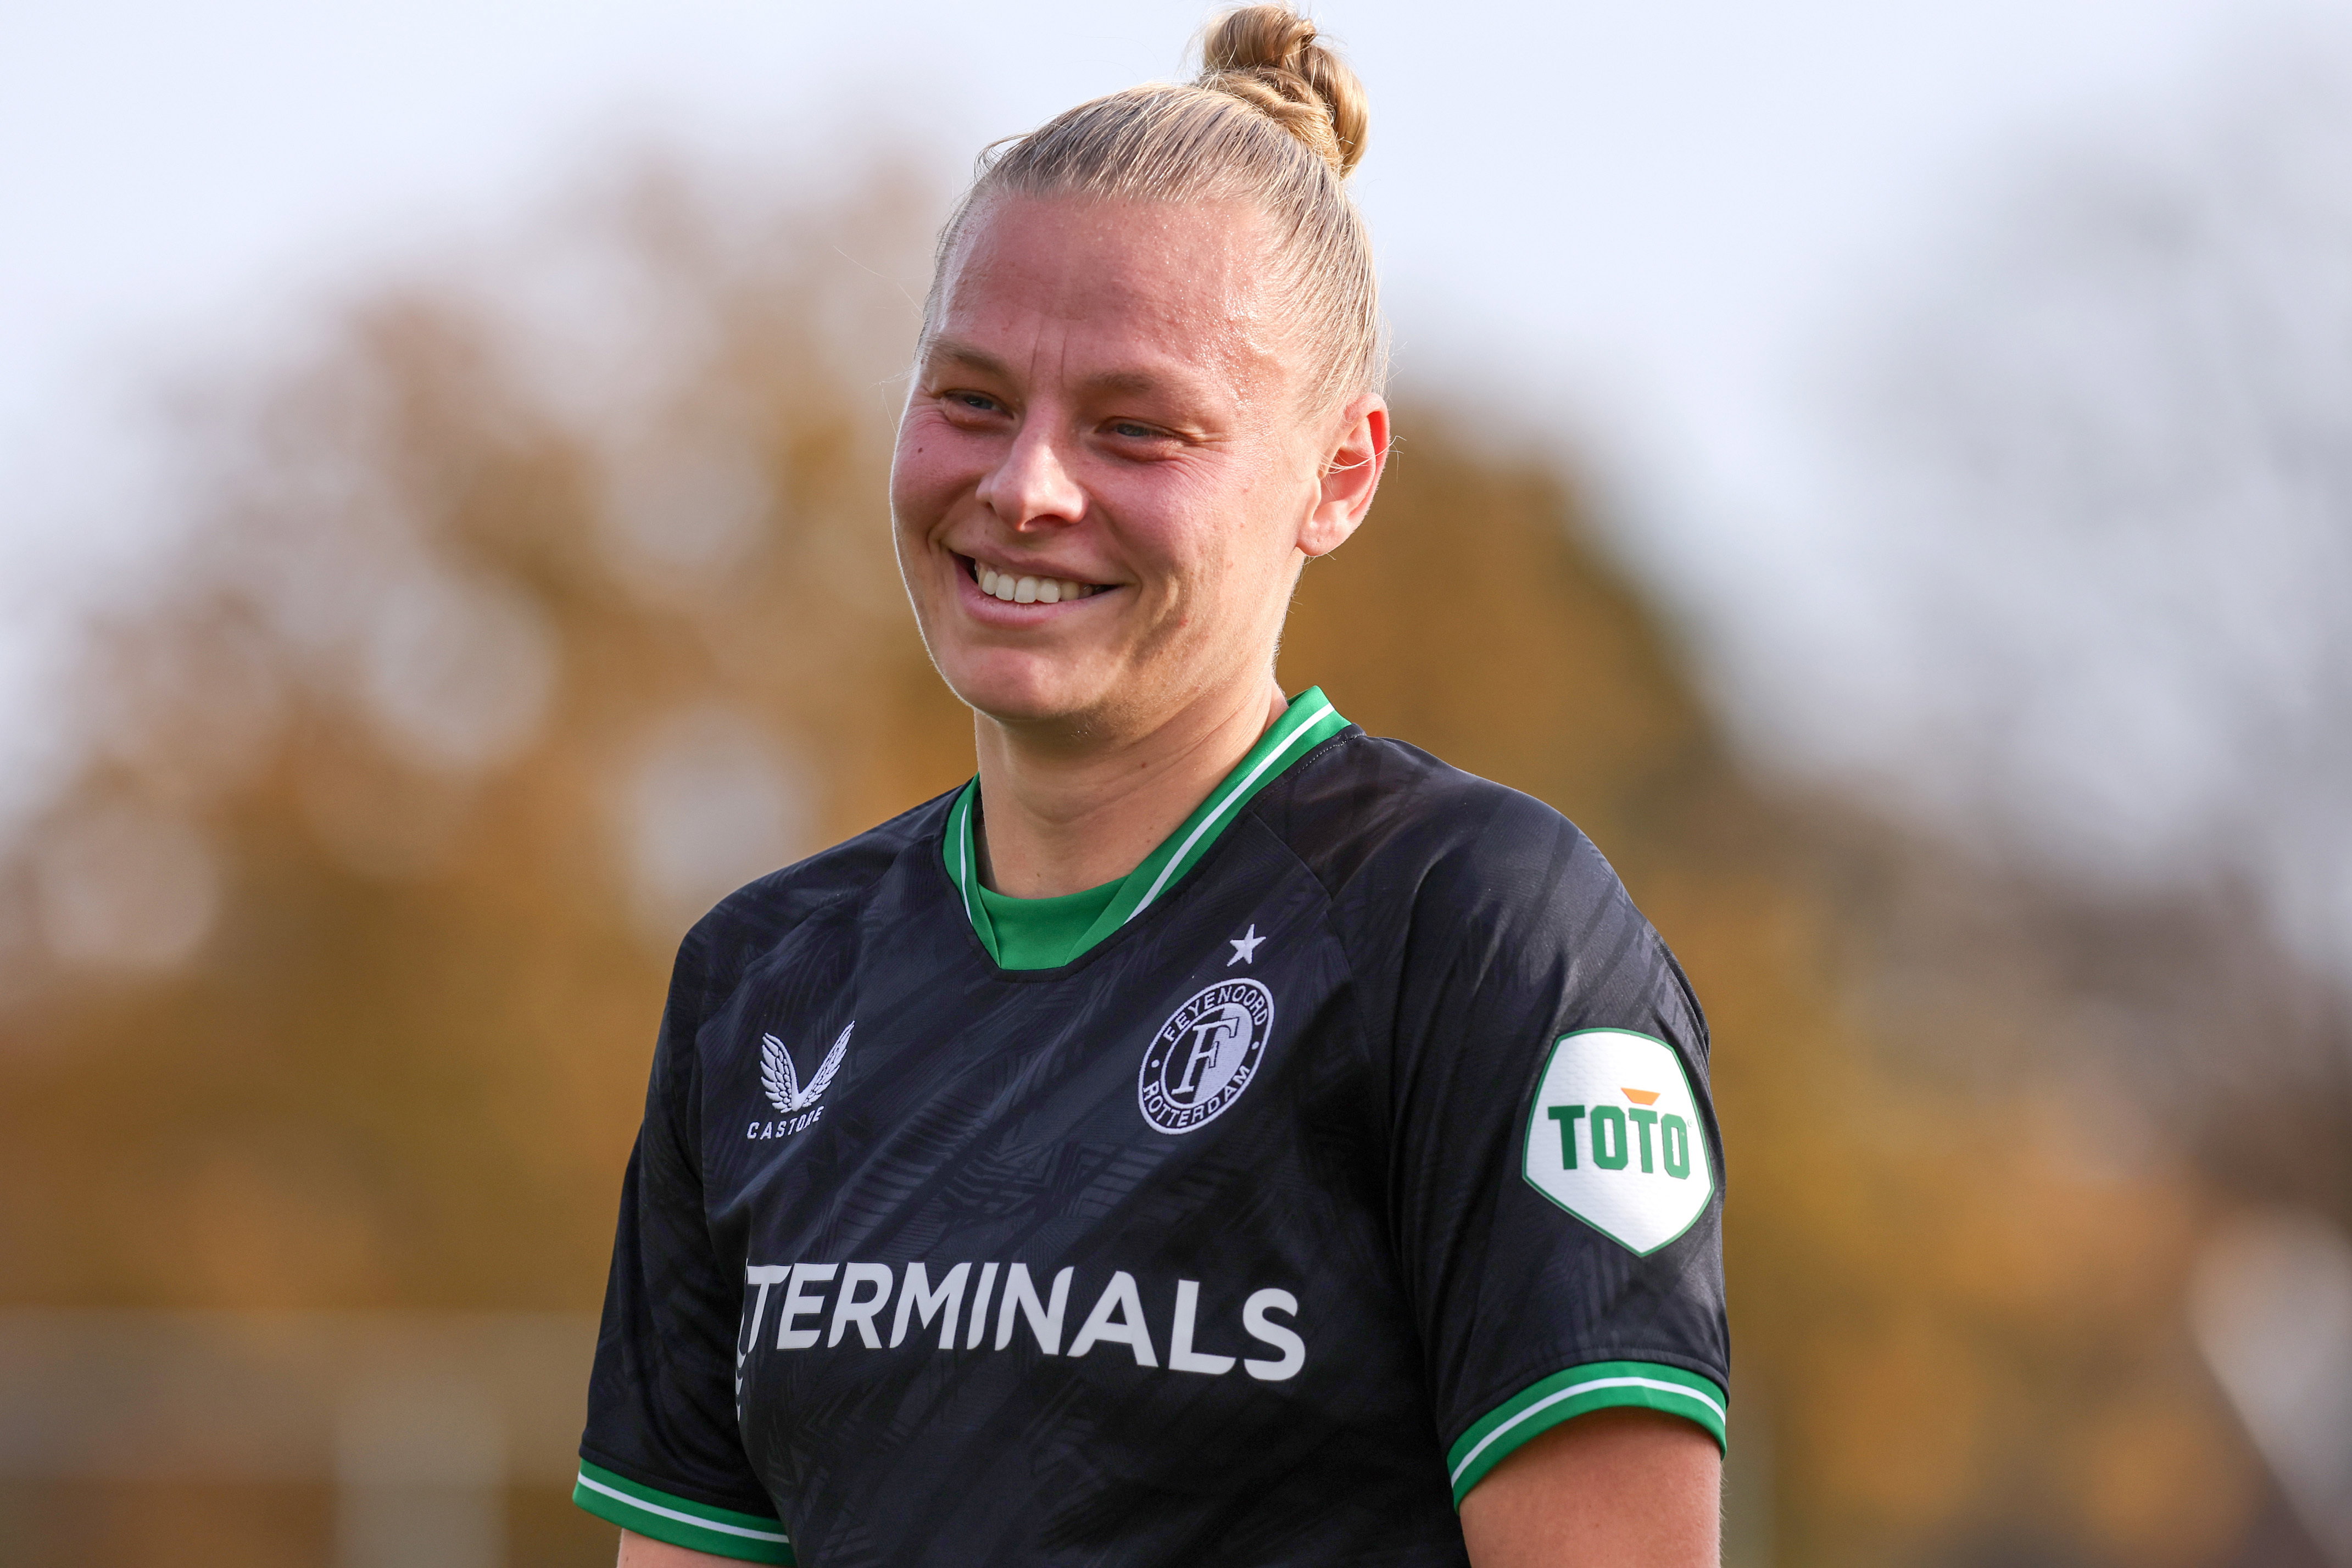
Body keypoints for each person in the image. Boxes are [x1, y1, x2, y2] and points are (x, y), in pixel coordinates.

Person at [572, 8, 1726, 1565]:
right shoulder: (760, 985)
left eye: (1137, 429)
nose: (1025, 488)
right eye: (973, 400)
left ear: (1339, 473)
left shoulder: (1479, 935)